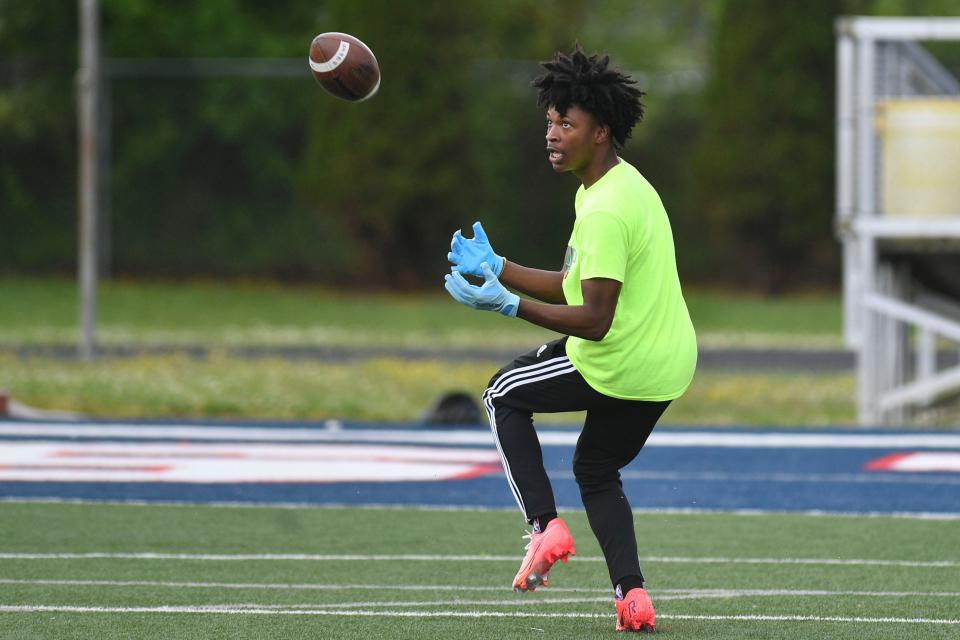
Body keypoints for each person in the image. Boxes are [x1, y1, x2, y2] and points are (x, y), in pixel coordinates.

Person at [443, 43, 697, 633]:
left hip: (619, 359)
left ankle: (543, 526)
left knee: (503, 393)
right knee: (595, 468)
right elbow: (569, 284)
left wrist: (508, 305)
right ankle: (632, 597)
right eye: (551, 122)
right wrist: (499, 265)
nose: (553, 134)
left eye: (568, 123)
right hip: (667, 366)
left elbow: (594, 319)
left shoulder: (605, 207)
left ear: (601, 130)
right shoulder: (616, 187)